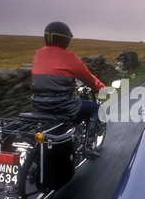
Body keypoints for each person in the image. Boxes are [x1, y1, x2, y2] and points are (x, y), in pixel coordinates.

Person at [31, 21, 106, 159]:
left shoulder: (38, 54)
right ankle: (89, 147)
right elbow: (89, 79)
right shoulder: (70, 57)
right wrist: (102, 88)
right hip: (63, 104)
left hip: (39, 104)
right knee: (95, 108)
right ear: (65, 40)